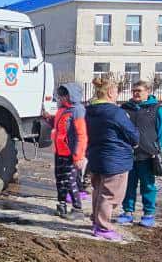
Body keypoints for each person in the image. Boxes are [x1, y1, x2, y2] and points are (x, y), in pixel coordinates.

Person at [84, 78, 140, 241]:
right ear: (109, 92)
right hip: (115, 159)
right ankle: (103, 227)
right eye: (116, 92)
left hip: (95, 157)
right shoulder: (116, 112)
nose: (117, 95)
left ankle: (96, 220)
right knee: (110, 195)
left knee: (98, 191)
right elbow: (133, 135)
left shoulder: (89, 110)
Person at [119, 80, 162, 228]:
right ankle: (127, 212)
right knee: (129, 185)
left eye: (139, 90)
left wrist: (160, 149)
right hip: (128, 154)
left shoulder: (157, 108)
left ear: (147, 92)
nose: (136, 93)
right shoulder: (124, 108)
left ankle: (148, 214)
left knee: (148, 186)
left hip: (149, 155)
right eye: (134, 90)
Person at [50, 83, 88, 217]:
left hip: (71, 153)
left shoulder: (77, 110)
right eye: (60, 95)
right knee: (60, 179)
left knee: (70, 181)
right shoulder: (62, 109)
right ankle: (61, 206)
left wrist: (78, 156)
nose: (61, 98)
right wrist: (48, 118)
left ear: (71, 95)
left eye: (64, 95)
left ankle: (78, 209)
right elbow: (59, 127)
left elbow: (81, 135)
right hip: (59, 151)